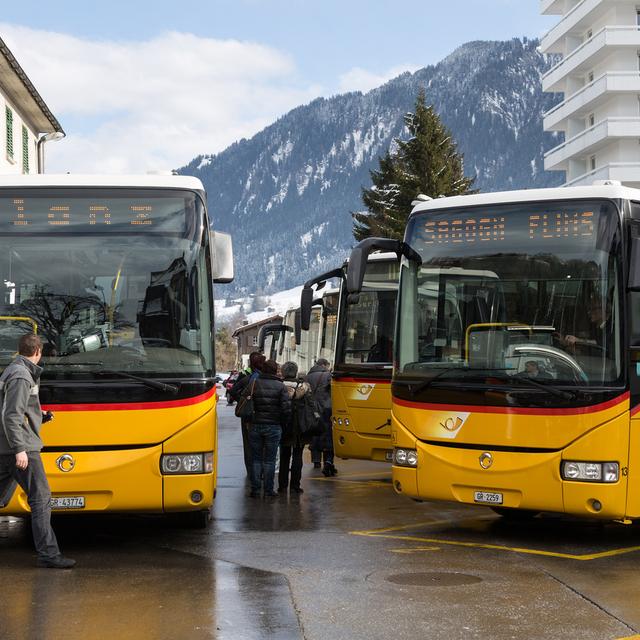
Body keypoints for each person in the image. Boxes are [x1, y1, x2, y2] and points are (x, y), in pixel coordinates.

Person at [0, 333, 75, 569]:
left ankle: (48, 553)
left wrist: (39, 416)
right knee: (41, 498)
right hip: (20, 449)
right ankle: (49, 554)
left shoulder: (14, 370)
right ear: (38, 351)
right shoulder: (22, 376)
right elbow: (11, 415)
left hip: (6, 446)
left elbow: (15, 409)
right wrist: (20, 449)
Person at [248, 359, 290, 498]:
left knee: (256, 459)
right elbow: (286, 409)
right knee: (270, 460)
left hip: (255, 425)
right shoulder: (281, 386)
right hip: (273, 426)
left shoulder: (254, 383)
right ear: (275, 371)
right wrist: (283, 424)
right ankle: (268, 489)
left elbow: (246, 401)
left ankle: (255, 489)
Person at [230, 352, 266, 479]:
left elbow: (233, 390)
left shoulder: (246, 378)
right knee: (263, 444)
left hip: (247, 415)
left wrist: (242, 401)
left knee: (249, 445)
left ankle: (251, 472)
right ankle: (262, 471)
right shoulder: (266, 379)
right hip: (263, 415)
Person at [278, 362, 311, 494]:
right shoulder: (304, 386)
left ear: (284, 372)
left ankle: (282, 485)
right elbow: (311, 405)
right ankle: (295, 486)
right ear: (296, 372)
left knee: (284, 456)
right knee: (297, 456)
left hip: (284, 425)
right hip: (299, 426)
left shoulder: (279, 386)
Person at [306, 358, 336, 477]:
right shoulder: (327, 375)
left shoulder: (308, 376)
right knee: (328, 434)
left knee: (314, 432)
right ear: (324, 365)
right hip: (326, 408)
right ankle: (328, 462)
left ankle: (316, 461)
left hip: (312, 410)